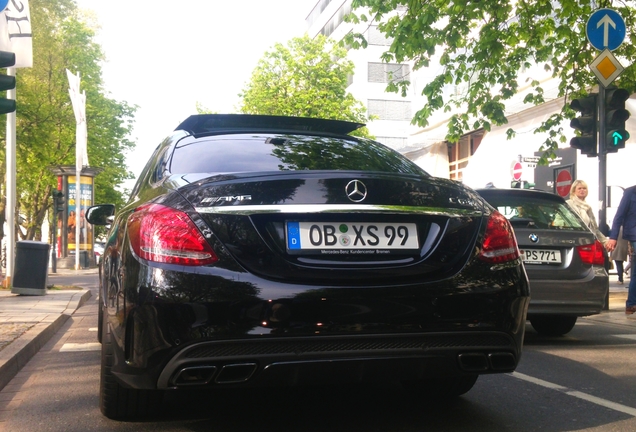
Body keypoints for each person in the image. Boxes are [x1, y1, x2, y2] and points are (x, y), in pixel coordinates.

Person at [606, 185, 636, 315]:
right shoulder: (630, 192)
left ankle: (631, 303)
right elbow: (619, 216)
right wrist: (613, 237)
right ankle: (631, 303)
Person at [566, 180, 608, 245]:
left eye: (584, 188)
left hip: (588, 241)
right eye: (579, 188)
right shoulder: (568, 204)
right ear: (574, 191)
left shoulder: (587, 207)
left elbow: (595, 229)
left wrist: (606, 242)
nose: (582, 190)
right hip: (574, 241)